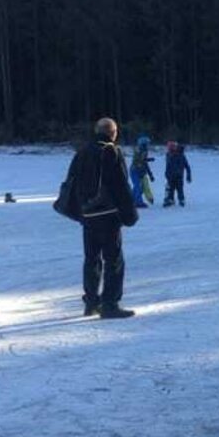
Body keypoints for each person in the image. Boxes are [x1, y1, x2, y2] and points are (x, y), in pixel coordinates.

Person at [65, 117, 138, 319]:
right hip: (108, 215)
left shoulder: (82, 152)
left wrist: (78, 211)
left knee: (91, 259)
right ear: (113, 133)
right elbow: (121, 185)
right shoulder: (111, 151)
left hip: (88, 215)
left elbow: (71, 182)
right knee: (113, 260)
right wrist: (130, 214)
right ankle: (110, 304)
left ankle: (90, 302)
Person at [163, 141, 192, 207]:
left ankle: (181, 200)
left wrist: (188, 176)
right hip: (170, 176)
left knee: (179, 188)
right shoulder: (168, 155)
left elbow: (187, 166)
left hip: (178, 176)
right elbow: (168, 166)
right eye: (169, 148)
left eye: (171, 148)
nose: (169, 149)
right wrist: (166, 173)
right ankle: (170, 200)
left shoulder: (180, 156)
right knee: (170, 188)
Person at [130, 135, 155, 207]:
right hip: (135, 171)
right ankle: (138, 202)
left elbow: (145, 164)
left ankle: (131, 200)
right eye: (146, 144)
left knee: (140, 187)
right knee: (137, 186)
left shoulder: (145, 152)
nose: (148, 146)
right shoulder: (138, 151)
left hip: (141, 172)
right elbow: (138, 161)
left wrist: (150, 175)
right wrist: (146, 160)